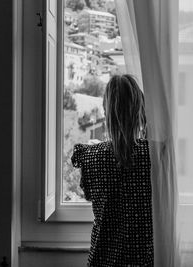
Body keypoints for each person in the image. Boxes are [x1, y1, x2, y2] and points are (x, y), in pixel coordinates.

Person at [71, 74, 154, 266]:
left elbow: (90, 195)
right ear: (140, 109)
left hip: (103, 259)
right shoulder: (155, 156)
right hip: (143, 261)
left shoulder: (91, 156)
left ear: (106, 111)